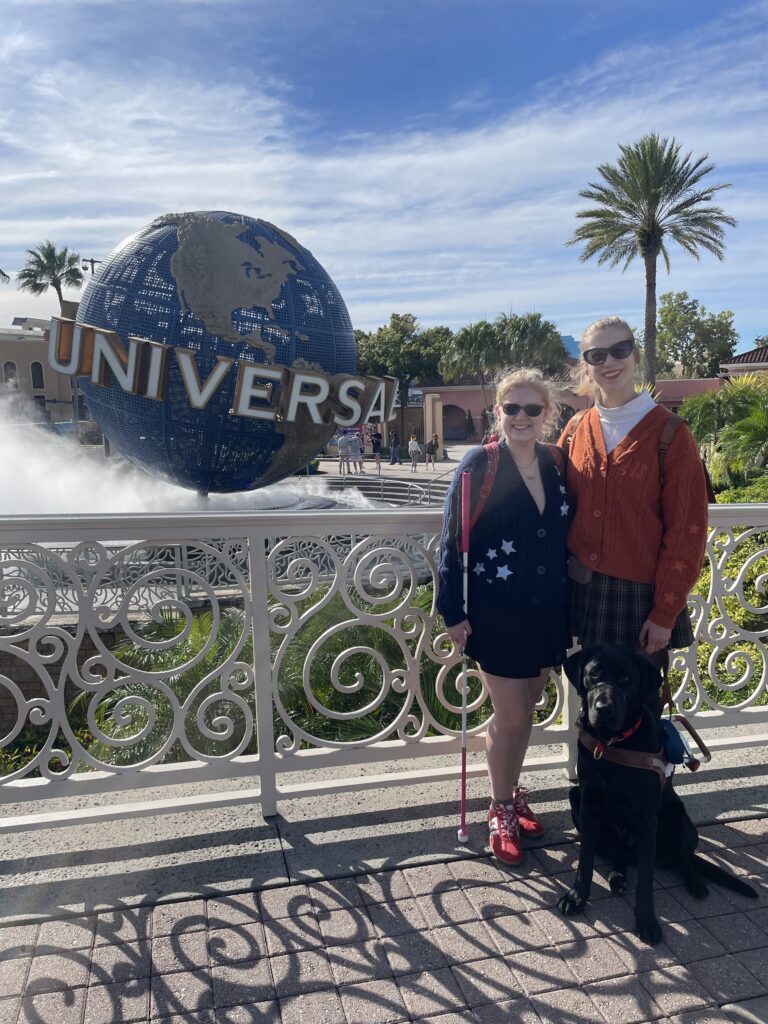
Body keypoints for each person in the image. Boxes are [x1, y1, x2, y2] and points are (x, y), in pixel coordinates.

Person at [437, 368, 571, 865]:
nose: (521, 417)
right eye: (510, 408)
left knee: (525, 711)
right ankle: (500, 808)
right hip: (496, 612)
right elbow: (451, 538)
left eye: (531, 409)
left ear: (547, 415)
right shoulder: (480, 463)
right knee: (512, 713)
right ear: (498, 412)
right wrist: (451, 609)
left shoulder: (556, 462)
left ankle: (512, 790)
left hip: (548, 609)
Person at [560, 316, 708, 666]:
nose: (609, 362)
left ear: (635, 356)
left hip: (639, 599)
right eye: (597, 356)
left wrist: (665, 611)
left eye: (619, 350)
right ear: (585, 367)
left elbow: (688, 530)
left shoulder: (671, 434)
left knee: (634, 713)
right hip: (578, 590)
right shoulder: (576, 428)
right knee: (589, 706)